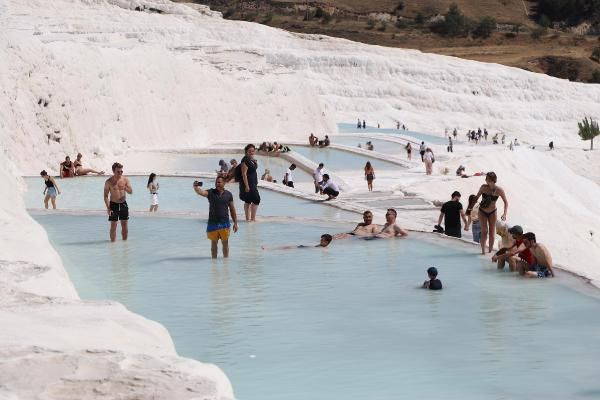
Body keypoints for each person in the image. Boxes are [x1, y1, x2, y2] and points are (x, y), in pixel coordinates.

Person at [193, 176, 238, 258]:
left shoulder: (228, 194)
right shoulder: (211, 192)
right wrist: (195, 187)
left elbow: (232, 209)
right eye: (216, 182)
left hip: (224, 223)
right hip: (212, 223)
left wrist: (235, 223)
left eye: (219, 182)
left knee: (225, 244)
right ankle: (214, 264)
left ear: (224, 183)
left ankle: (226, 263)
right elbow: (202, 192)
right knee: (213, 245)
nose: (217, 184)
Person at [473, 172, 508, 254]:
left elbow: (506, 202)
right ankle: (483, 251)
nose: (485, 180)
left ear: (492, 180)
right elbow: (477, 197)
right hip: (482, 211)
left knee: (492, 231)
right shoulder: (483, 187)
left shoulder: (499, 190)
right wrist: (471, 206)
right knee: (484, 230)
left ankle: (490, 251)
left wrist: (504, 214)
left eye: (487, 178)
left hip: (492, 212)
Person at [103, 162, 132, 242]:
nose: (120, 173)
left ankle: (125, 245)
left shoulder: (125, 179)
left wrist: (125, 188)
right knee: (113, 226)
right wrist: (108, 207)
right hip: (113, 205)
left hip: (123, 205)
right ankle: (113, 246)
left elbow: (131, 191)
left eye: (121, 171)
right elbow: (105, 196)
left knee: (125, 226)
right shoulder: (108, 182)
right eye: (118, 171)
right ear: (113, 171)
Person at [239, 144, 260, 222]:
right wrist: (247, 186)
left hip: (253, 182)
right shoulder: (245, 160)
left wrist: (254, 162)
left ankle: (247, 219)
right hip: (249, 183)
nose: (251, 152)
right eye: (250, 151)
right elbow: (244, 174)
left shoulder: (251, 159)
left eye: (253, 151)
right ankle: (252, 219)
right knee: (256, 200)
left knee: (248, 200)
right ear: (246, 151)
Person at [264, 234, 333, 250]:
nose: (320, 240)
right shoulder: (321, 246)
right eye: (321, 239)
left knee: (287, 248)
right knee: (286, 247)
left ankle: (270, 249)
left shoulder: (322, 249)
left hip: (303, 249)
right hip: (302, 247)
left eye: (322, 240)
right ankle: (271, 248)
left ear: (326, 242)